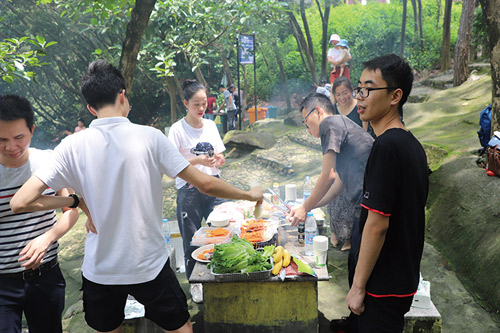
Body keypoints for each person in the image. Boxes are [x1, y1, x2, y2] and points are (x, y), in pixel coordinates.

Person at [10, 59, 263, 333]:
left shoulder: (71, 146)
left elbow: (20, 202)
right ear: (122, 95)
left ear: (91, 107)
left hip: (100, 270)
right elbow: (207, 185)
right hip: (148, 264)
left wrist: (73, 201)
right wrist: (249, 195)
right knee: (180, 329)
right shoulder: (150, 138)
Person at [345, 54, 429, 332]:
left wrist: (358, 287)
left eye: (368, 89)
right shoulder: (411, 144)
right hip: (401, 279)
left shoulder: (387, 147)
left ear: (395, 96)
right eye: (359, 88)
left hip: (382, 285)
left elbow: (377, 224)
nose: (360, 96)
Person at [0, 94, 80, 332]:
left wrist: (48, 237)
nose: (11, 147)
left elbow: (71, 210)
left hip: (46, 277)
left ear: (32, 129)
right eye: (1, 139)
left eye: (18, 137)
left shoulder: (49, 163)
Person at [287, 93, 373, 259]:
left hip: (370, 204)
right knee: (358, 259)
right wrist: (307, 207)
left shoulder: (329, 123)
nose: (307, 130)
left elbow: (328, 175)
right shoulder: (341, 126)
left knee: (359, 260)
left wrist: (304, 208)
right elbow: (337, 187)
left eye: (306, 122)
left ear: (318, 111)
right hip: (367, 204)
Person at [168, 79, 226, 303]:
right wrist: (197, 160)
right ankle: (196, 283)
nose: (201, 109)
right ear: (185, 103)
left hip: (213, 184)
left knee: (221, 233)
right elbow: (172, 167)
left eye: (204, 104)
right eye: (196, 105)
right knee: (191, 238)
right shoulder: (177, 130)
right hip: (189, 190)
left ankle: (219, 274)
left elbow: (221, 156)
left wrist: (218, 159)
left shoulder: (210, 125)